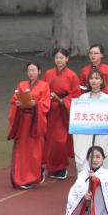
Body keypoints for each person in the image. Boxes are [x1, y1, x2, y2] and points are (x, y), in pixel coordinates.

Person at [7, 62, 52, 189]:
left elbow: (45, 104)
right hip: (23, 122)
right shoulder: (22, 84)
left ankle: (32, 177)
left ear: (39, 71)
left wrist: (36, 104)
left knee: (34, 151)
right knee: (22, 150)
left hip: (35, 123)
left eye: (34, 70)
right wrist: (18, 103)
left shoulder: (44, 85)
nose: (31, 73)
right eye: (29, 70)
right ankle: (20, 177)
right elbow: (14, 100)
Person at [43, 48, 81, 180]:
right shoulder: (49, 73)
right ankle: (52, 167)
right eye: (56, 58)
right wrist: (47, 98)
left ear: (67, 59)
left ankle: (61, 167)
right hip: (51, 110)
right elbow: (43, 89)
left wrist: (61, 100)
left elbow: (75, 94)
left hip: (63, 111)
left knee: (60, 140)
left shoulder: (72, 75)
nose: (58, 60)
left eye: (61, 58)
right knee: (49, 140)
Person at [71, 69, 108, 175]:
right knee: (84, 164)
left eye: (97, 78)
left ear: (102, 81)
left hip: (102, 137)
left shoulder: (107, 99)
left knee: (103, 163)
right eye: (91, 78)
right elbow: (77, 120)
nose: (94, 81)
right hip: (85, 136)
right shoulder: (82, 98)